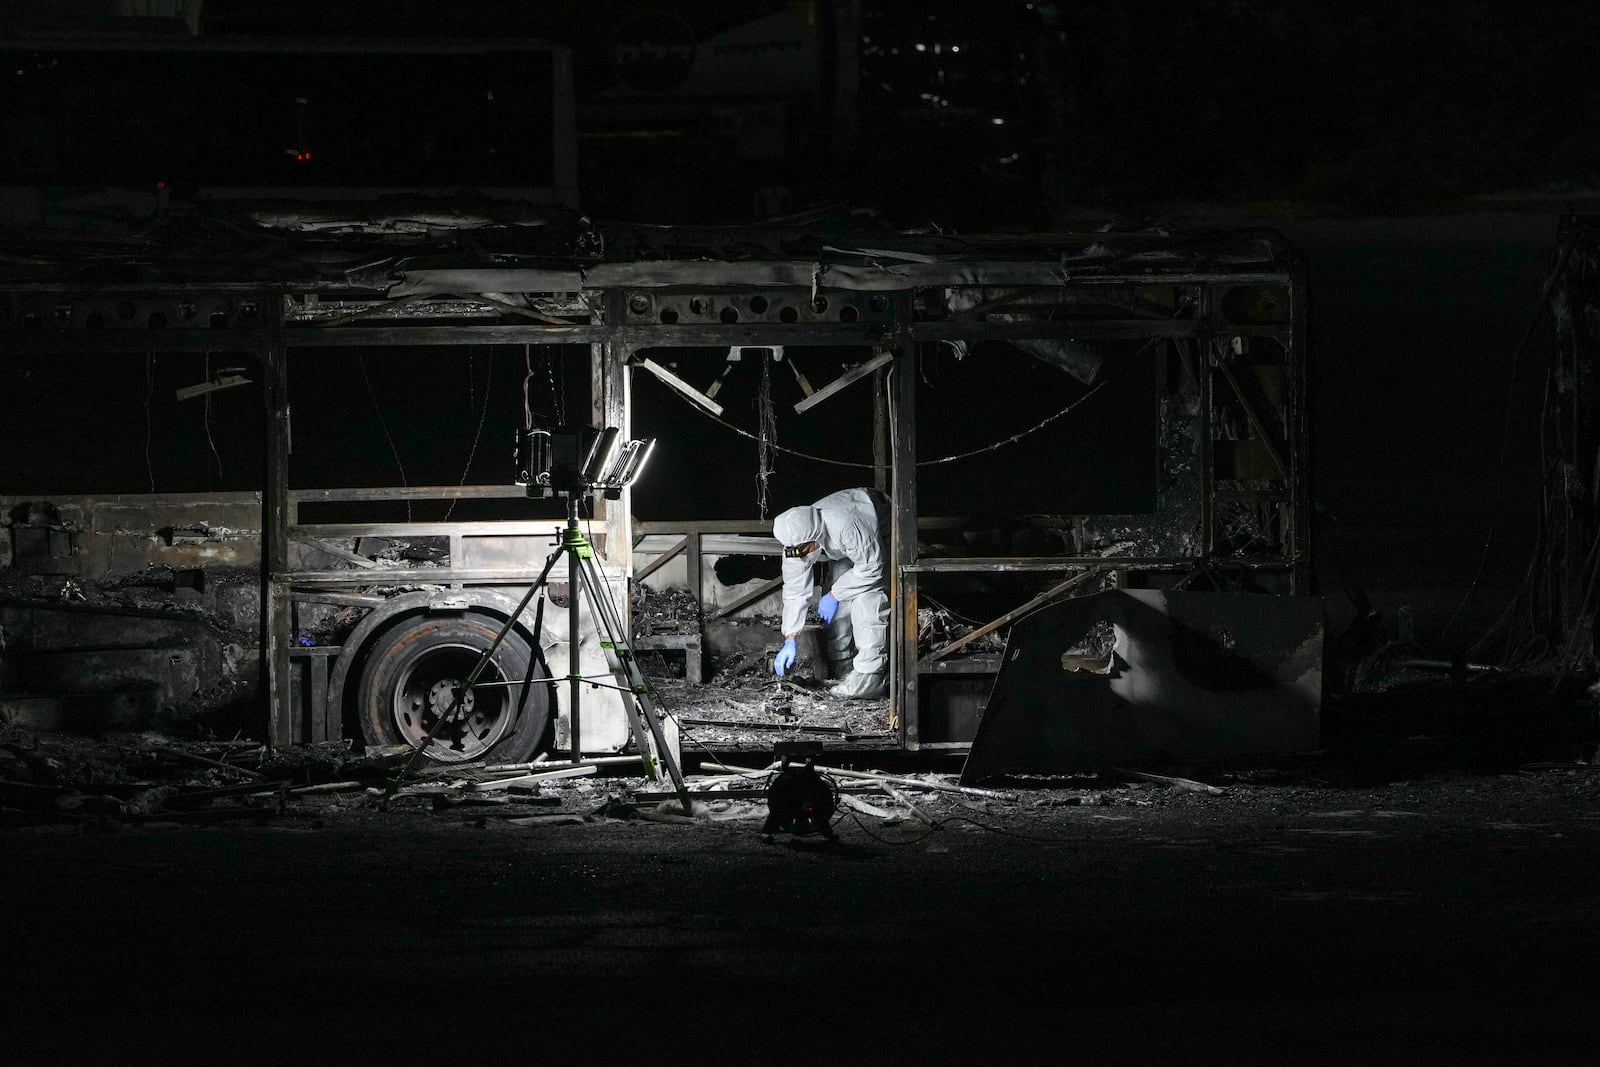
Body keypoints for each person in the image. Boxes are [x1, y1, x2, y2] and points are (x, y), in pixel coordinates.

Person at [770, 487, 891, 699]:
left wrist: (834, 595)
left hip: (882, 531)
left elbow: (872, 568)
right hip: (847, 546)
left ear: (814, 537)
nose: (797, 555)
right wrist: (790, 636)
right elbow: (794, 590)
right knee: (837, 591)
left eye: (802, 550)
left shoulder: (847, 525)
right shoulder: (796, 538)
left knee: (865, 596)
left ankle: (869, 676)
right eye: (793, 551)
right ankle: (843, 665)